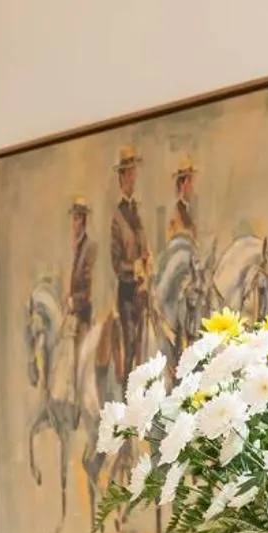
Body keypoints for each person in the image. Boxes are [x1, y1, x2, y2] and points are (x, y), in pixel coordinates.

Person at [109, 145, 150, 375]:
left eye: (135, 172)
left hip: (141, 292)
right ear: (122, 178)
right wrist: (133, 268)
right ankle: (126, 389)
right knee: (132, 342)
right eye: (130, 173)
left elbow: (143, 245)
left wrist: (147, 259)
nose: (133, 177)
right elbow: (116, 263)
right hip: (125, 294)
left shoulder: (137, 210)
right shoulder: (117, 217)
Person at [63, 196, 94, 332]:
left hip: (83, 318)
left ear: (82, 220)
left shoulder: (88, 248)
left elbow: (88, 292)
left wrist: (73, 302)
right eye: (73, 219)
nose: (73, 224)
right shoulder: (78, 247)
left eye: (75, 219)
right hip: (75, 316)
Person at [168, 153, 199, 241]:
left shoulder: (191, 208)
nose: (192, 185)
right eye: (189, 180)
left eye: (192, 180)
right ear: (182, 184)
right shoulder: (176, 212)